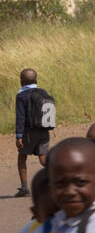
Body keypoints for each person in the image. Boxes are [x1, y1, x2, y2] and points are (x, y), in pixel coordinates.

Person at [14, 68, 55, 197]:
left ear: (21, 82)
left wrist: (19, 135)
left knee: (22, 157)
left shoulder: (21, 96)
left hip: (29, 133)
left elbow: (20, 117)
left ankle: (24, 187)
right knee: (43, 158)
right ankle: (56, 181)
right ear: (36, 80)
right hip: (43, 130)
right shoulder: (43, 92)